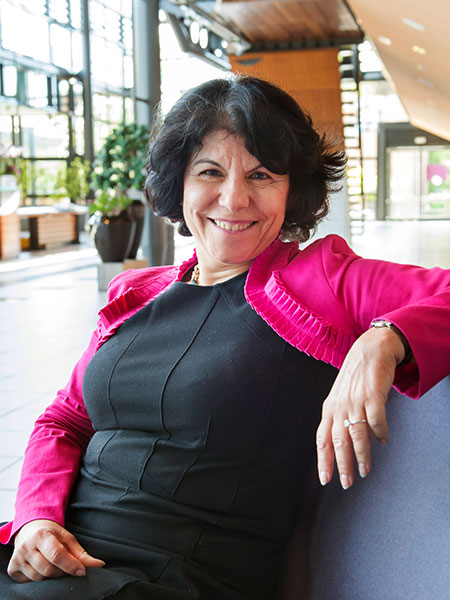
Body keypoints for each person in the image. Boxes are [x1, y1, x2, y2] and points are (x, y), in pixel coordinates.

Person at [0, 75, 449, 600]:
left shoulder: (322, 279)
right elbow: (65, 419)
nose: (234, 198)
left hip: (177, 579)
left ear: (292, 189)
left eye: (261, 175)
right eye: (210, 171)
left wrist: (383, 338)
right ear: (180, 183)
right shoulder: (136, 293)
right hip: (58, 563)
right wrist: (35, 520)